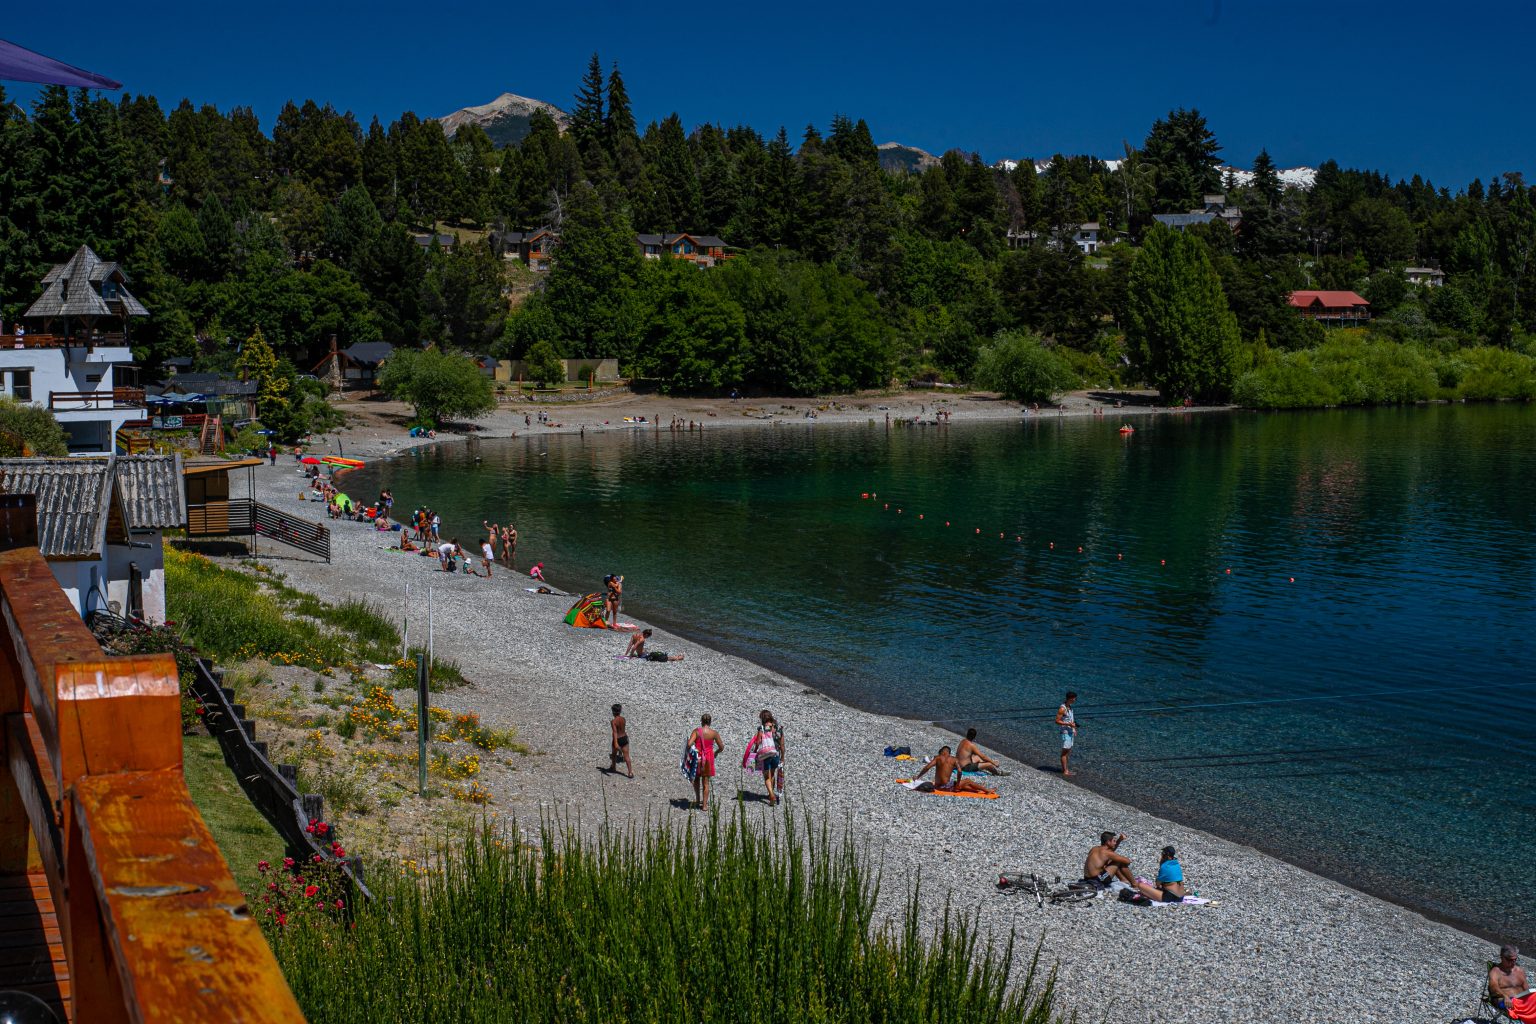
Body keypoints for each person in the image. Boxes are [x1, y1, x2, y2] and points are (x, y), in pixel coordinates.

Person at [913, 746, 994, 796]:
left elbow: (927, 767)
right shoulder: (954, 759)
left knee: (963, 786)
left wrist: (918, 777)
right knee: (967, 780)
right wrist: (958, 783)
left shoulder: (937, 758)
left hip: (937, 786)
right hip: (946, 787)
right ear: (949, 752)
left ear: (942, 751)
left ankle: (978, 790)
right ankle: (987, 790)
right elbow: (959, 771)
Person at [744, 711, 784, 806]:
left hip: (766, 755)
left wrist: (755, 752)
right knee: (772, 774)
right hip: (775, 754)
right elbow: (782, 745)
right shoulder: (778, 728)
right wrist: (783, 757)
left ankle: (771, 795)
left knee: (766, 777)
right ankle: (771, 794)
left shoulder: (762, 728)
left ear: (762, 718)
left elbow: (757, 742)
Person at [689, 714, 723, 810]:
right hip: (708, 758)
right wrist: (715, 752)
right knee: (706, 782)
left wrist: (695, 750)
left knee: (696, 779)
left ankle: (697, 800)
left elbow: (689, 743)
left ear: (701, 721)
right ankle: (704, 805)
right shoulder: (714, 733)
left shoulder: (697, 731)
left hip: (698, 758)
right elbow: (721, 747)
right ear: (710, 722)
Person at [1490, 945, 1532, 1016]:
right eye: (1510, 960)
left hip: (1520, 1001)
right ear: (1502, 957)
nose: (1513, 962)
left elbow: (1527, 991)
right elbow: (1493, 988)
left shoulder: (1519, 971)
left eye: (1515, 959)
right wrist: (1505, 996)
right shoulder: (1496, 971)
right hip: (1504, 1001)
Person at [1057, 692, 1078, 777]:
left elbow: (1071, 720)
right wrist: (1069, 725)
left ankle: (1066, 769)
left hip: (1070, 732)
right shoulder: (1062, 708)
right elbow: (1057, 721)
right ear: (1070, 698)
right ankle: (1065, 771)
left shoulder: (1070, 707)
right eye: (1074, 698)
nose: (1075, 700)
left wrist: (1074, 729)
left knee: (1068, 751)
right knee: (1064, 753)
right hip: (1065, 732)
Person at [609, 704, 632, 779]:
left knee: (614, 754)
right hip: (624, 738)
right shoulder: (623, 719)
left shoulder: (613, 721)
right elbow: (623, 729)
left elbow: (615, 732)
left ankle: (613, 767)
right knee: (627, 756)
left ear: (613, 712)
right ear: (620, 711)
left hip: (618, 739)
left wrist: (615, 743)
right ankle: (630, 772)